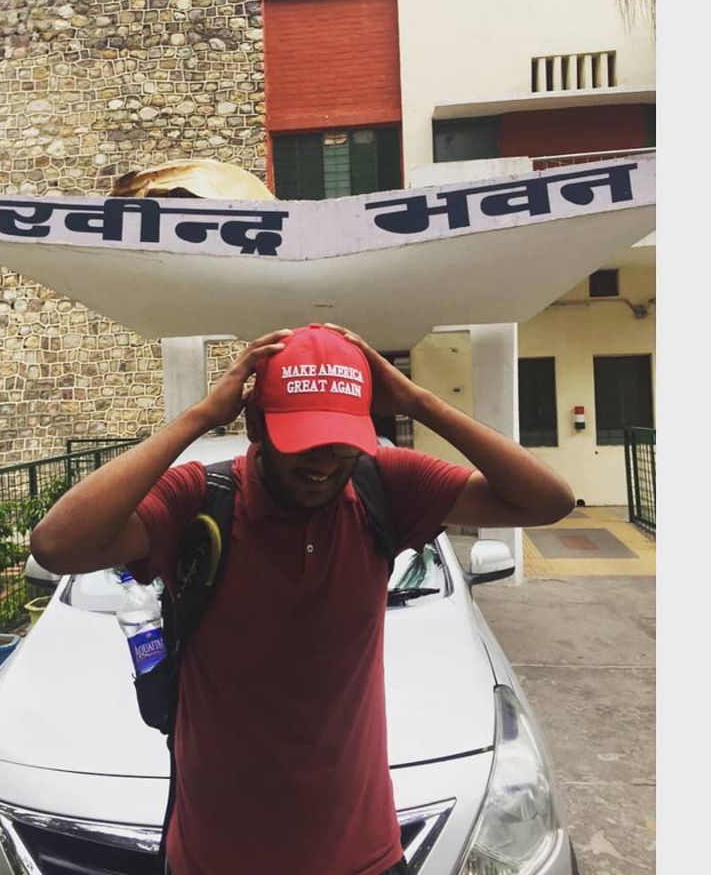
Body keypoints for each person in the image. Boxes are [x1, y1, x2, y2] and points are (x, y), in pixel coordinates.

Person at [31, 322, 574, 875]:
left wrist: (417, 401)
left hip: (364, 857)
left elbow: (548, 501)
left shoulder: (383, 489)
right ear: (255, 425)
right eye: (302, 442)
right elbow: (56, 544)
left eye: (341, 443)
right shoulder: (199, 499)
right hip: (216, 859)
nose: (324, 464)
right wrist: (199, 418)